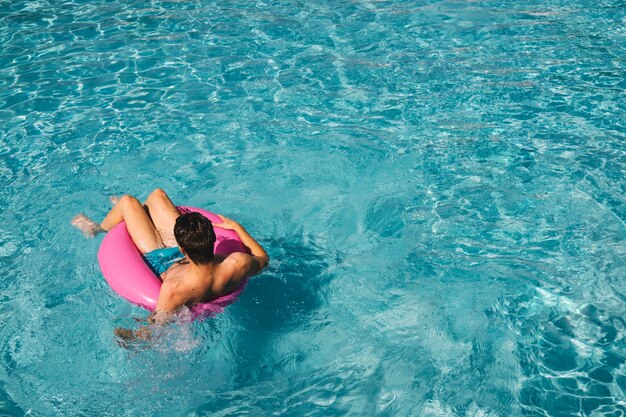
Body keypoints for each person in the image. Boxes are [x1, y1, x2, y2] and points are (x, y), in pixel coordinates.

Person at [72, 188, 269, 328]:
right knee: (158, 195)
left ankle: (97, 229)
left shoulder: (174, 288)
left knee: (127, 202)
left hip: (159, 257)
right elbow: (263, 259)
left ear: (183, 248)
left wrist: (130, 335)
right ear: (212, 238)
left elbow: (156, 325)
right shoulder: (237, 263)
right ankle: (141, 213)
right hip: (189, 258)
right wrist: (237, 228)